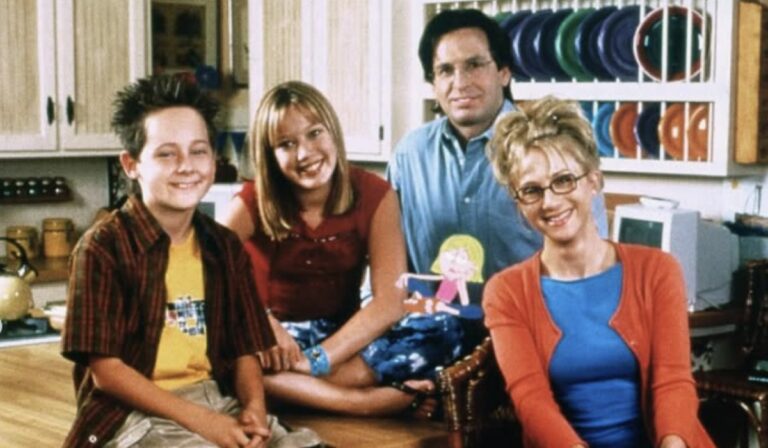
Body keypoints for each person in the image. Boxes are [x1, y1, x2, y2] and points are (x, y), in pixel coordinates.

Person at [61, 75, 282, 447]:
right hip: (132, 414)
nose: (186, 166)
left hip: (216, 400)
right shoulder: (102, 248)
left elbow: (245, 348)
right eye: (166, 154)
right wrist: (205, 424)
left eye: (199, 151)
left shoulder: (225, 246)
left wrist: (255, 410)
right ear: (131, 164)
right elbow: (106, 373)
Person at [483, 96, 714, 447]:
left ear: (594, 180)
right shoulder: (506, 292)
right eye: (531, 190)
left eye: (564, 180)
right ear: (519, 203)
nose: (550, 201)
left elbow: (673, 382)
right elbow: (531, 401)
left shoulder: (658, 270)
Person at [223, 81, 446, 417]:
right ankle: (362, 402)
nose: (305, 153)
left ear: (333, 132)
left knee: (444, 323)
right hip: (276, 343)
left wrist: (316, 361)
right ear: (269, 155)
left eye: (315, 133)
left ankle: (286, 390)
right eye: (286, 144)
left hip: (342, 339)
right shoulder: (252, 200)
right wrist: (262, 322)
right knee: (221, 350)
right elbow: (203, 263)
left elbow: (389, 302)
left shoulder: (375, 193)